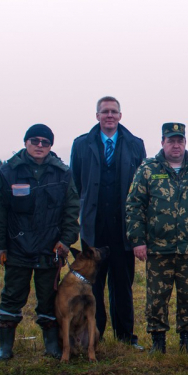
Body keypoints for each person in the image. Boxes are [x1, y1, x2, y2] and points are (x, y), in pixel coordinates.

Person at [126, 123, 188, 355]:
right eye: (171, 141)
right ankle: (158, 341)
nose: (175, 145)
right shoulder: (148, 169)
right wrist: (137, 240)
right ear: (162, 143)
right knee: (157, 297)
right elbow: (134, 205)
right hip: (158, 248)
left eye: (180, 140)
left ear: (185, 143)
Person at [0, 124, 80, 360]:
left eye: (45, 142)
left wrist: (66, 241)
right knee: (12, 295)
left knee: (48, 299)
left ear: (51, 146)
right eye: (35, 141)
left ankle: (51, 346)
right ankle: (5, 348)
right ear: (26, 142)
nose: (40, 146)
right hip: (17, 247)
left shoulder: (62, 173)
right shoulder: (8, 172)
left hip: (49, 249)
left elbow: (71, 210)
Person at [70, 96, 146, 350]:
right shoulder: (81, 145)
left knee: (122, 284)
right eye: (105, 112)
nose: (109, 116)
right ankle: (95, 334)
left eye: (114, 111)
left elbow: (142, 187)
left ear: (120, 116)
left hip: (124, 228)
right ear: (97, 116)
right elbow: (76, 185)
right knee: (93, 285)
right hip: (94, 228)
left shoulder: (136, 145)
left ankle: (126, 337)